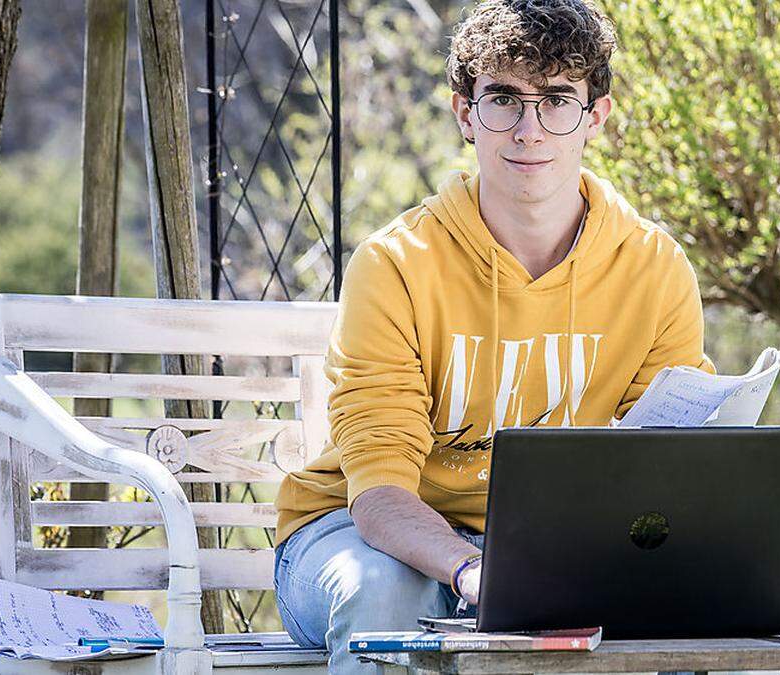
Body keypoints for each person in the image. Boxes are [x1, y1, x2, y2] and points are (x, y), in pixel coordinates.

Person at [272, 0, 715, 670]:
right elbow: (378, 493)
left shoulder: (654, 269)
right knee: (388, 591)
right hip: (354, 539)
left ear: (595, 118)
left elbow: (665, 468)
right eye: (503, 99)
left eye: (557, 101)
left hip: (550, 549)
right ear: (464, 115)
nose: (529, 131)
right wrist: (475, 571)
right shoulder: (395, 265)